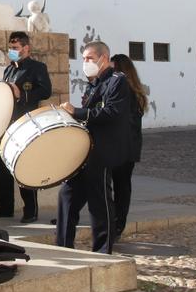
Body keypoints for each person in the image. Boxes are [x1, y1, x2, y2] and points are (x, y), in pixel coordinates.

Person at [57, 41, 133, 255]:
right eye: (83, 59)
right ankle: (63, 247)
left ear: (104, 58)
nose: (85, 63)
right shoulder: (93, 83)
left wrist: (77, 112)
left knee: (99, 203)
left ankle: (102, 251)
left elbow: (111, 113)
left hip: (103, 151)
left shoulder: (117, 82)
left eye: (89, 58)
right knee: (67, 196)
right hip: (85, 150)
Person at [0, 31, 52, 223]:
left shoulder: (37, 67)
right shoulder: (8, 70)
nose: (11, 51)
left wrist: (21, 93)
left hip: (25, 123)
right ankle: (4, 207)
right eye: (10, 48)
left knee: (24, 166)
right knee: (2, 167)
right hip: (6, 123)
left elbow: (45, 90)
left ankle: (30, 210)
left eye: (15, 48)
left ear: (26, 48)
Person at [110, 54, 147, 241]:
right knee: (119, 186)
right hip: (124, 146)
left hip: (125, 147)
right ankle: (115, 221)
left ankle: (118, 223)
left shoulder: (127, 92)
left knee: (121, 186)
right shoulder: (132, 91)